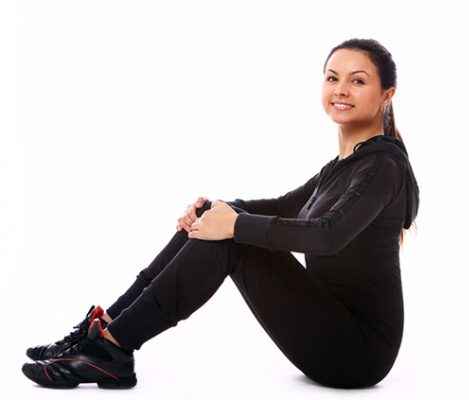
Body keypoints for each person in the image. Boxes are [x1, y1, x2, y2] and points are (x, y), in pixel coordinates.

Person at [22, 37, 420, 390]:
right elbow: (281, 209)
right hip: (326, 327)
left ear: (387, 95)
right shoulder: (342, 166)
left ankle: (113, 349)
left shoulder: (383, 166)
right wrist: (213, 211)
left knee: (233, 235)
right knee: (222, 219)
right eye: (332, 78)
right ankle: (103, 331)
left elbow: (326, 236)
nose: (341, 89)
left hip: (357, 352)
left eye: (358, 80)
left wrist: (232, 223)